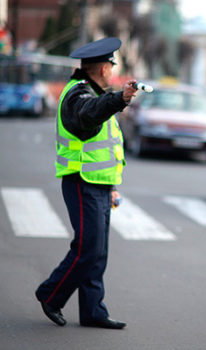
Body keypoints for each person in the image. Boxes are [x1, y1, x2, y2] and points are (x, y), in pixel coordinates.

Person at [35, 37, 137, 329]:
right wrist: (119, 99)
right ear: (104, 68)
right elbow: (88, 115)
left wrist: (112, 185)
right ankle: (50, 295)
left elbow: (107, 145)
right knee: (87, 249)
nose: (111, 70)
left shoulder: (93, 92)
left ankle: (93, 311)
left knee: (97, 251)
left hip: (99, 184)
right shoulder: (77, 96)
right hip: (81, 182)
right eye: (110, 65)